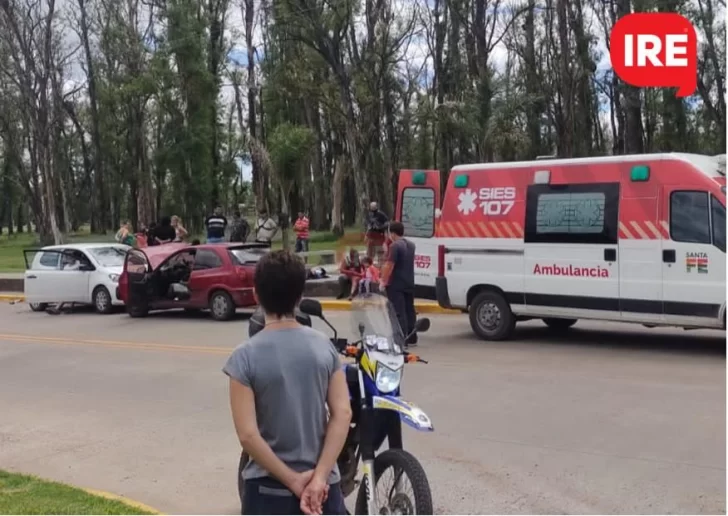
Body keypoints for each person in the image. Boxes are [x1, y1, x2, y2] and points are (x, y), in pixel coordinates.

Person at [223, 250, 351, 515]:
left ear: (256, 295)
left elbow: (248, 435)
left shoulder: (243, 358)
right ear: (300, 296)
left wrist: (293, 481)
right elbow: (342, 413)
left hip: (268, 492)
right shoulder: (324, 346)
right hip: (324, 490)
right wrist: (318, 479)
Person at [380, 221, 417, 347]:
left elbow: (389, 265)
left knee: (398, 311)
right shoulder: (411, 245)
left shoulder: (395, 246)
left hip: (396, 283)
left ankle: (401, 339)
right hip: (409, 281)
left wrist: (383, 281)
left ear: (392, 233)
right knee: (409, 310)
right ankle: (412, 337)